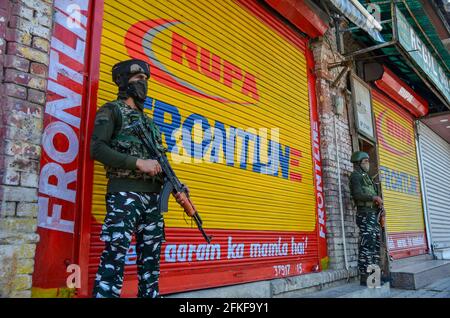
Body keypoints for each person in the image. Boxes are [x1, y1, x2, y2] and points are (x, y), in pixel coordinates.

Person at [90, 59, 184, 298]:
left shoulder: (149, 123)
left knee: (151, 264)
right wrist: (138, 163)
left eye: (146, 80)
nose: (144, 84)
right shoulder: (111, 110)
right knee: (115, 257)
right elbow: (97, 149)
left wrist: (177, 187)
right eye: (138, 79)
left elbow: (161, 161)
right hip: (124, 194)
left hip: (153, 200)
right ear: (123, 82)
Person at [349, 151, 385, 286]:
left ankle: (375, 278)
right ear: (358, 163)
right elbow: (358, 195)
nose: (368, 163)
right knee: (366, 245)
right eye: (365, 161)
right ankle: (365, 277)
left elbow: (374, 194)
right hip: (364, 214)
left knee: (375, 245)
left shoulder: (367, 178)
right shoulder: (356, 176)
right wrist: (373, 198)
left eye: (368, 161)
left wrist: (381, 209)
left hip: (373, 214)